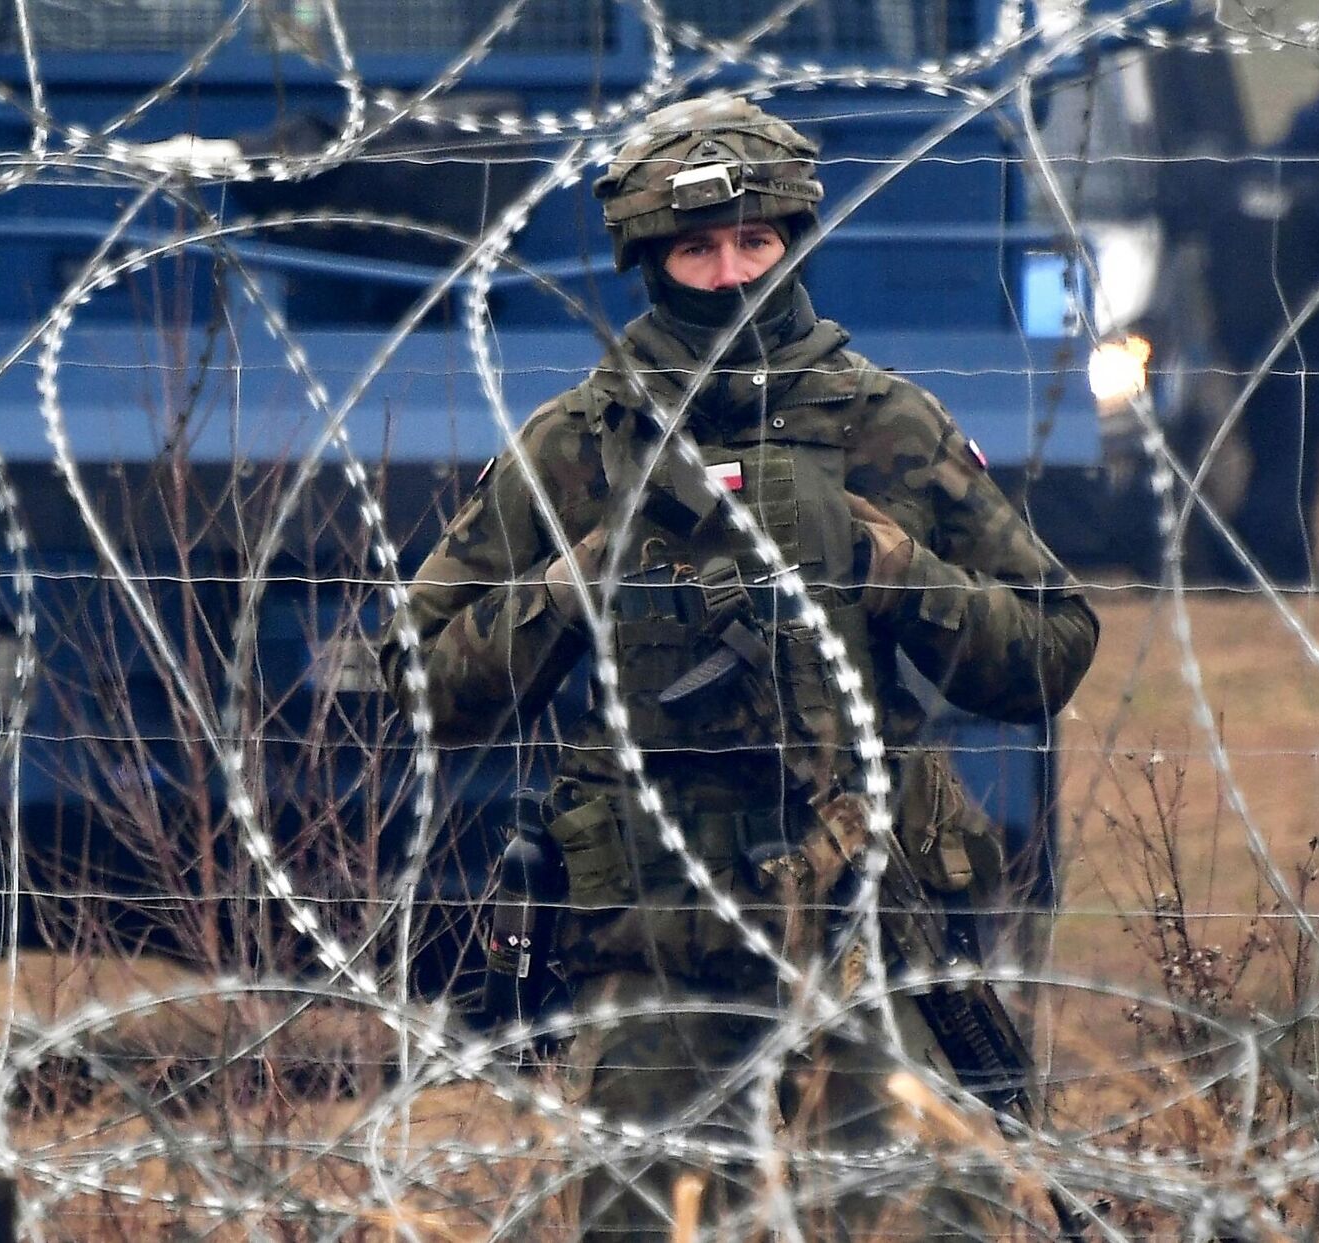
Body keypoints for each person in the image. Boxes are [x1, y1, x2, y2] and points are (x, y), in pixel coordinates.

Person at [385, 96, 1100, 1239]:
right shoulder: (582, 446)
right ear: (653, 262)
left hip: (858, 916)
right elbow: (411, 680)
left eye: (754, 242)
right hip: (656, 936)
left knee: (916, 1217)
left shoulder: (889, 428)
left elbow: (1053, 647)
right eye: (698, 248)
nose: (729, 275)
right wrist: (573, 583)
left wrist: (896, 566)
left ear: (793, 242)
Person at [1207, 86, 1319, 586]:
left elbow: (1215, 258)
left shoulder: (1249, 174)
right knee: (1296, 456)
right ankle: (1279, 562)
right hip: (1307, 349)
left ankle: (1262, 558)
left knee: (1266, 452)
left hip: (1246, 346)